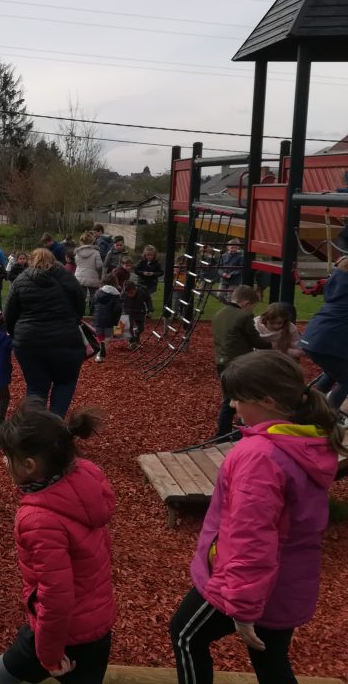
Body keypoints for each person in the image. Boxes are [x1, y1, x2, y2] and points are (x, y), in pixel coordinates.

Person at [169, 350, 343, 684]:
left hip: (241, 582)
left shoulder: (261, 457)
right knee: (270, 659)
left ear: (266, 401)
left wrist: (242, 604)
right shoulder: (306, 440)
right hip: (286, 580)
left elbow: (251, 537)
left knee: (185, 635)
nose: (233, 405)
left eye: (238, 398)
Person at [0, 403, 114, 684]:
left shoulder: (39, 519)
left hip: (65, 636)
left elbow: (56, 597)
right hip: (97, 627)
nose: (4, 462)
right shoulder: (85, 477)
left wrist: (49, 655)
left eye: (8, 457)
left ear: (29, 466)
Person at [5, 248, 86, 417]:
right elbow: (80, 303)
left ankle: (35, 424)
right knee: (64, 383)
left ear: (31, 260)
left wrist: (15, 335)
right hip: (65, 338)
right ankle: (55, 422)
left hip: (29, 341)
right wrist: (74, 321)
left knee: (36, 387)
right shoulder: (67, 277)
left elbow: (10, 313)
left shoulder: (21, 280)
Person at [212, 285, 271, 438]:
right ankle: (235, 433)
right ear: (246, 303)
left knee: (229, 398)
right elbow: (255, 341)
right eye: (252, 306)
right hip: (239, 362)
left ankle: (224, 433)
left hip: (221, 361)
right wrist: (273, 343)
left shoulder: (219, 314)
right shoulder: (244, 316)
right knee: (242, 398)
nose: (252, 310)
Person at [299, 255, 348, 410]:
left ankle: (311, 408)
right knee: (346, 380)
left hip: (313, 336)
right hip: (326, 341)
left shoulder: (336, 282)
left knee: (332, 373)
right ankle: (327, 416)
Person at [90, 276, 122, 364]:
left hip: (98, 318)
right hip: (110, 319)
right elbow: (118, 309)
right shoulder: (116, 295)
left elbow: (92, 304)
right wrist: (116, 321)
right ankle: (101, 352)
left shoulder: (98, 292)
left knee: (99, 335)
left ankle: (100, 350)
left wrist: (93, 313)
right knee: (108, 336)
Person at [74, 232, 104, 314]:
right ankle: (92, 313)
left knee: (82, 296)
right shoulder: (96, 252)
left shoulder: (77, 252)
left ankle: (81, 313)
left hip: (79, 276)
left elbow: (76, 263)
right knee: (93, 296)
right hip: (92, 276)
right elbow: (99, 266)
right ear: (92, 241)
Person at [121, 280, 151, 350]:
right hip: (128, 311)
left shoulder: (142, 291)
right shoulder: (123, 293)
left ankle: (136, 336)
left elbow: (148, 300)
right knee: (129, 327)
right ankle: (132, 342)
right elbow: (120, 301)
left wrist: (150, 310)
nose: (130, 295)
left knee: (141, 328)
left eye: (131, 293)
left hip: (139, 311)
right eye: (128, 293)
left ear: (135, 289)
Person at [133, 245, 164, 312]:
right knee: (141, 296)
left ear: (154, 255)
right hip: (142, 282)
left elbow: (161, 272)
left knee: (149, 297)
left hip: (152, 283)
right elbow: (136, 270)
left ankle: (149, 310)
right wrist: (143, 273)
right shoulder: (141, 262)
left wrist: (153, 273)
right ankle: (141, 309)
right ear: (145, 255)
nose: (149, 257)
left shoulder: (157, 263)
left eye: (151, 255)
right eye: (148, 255)